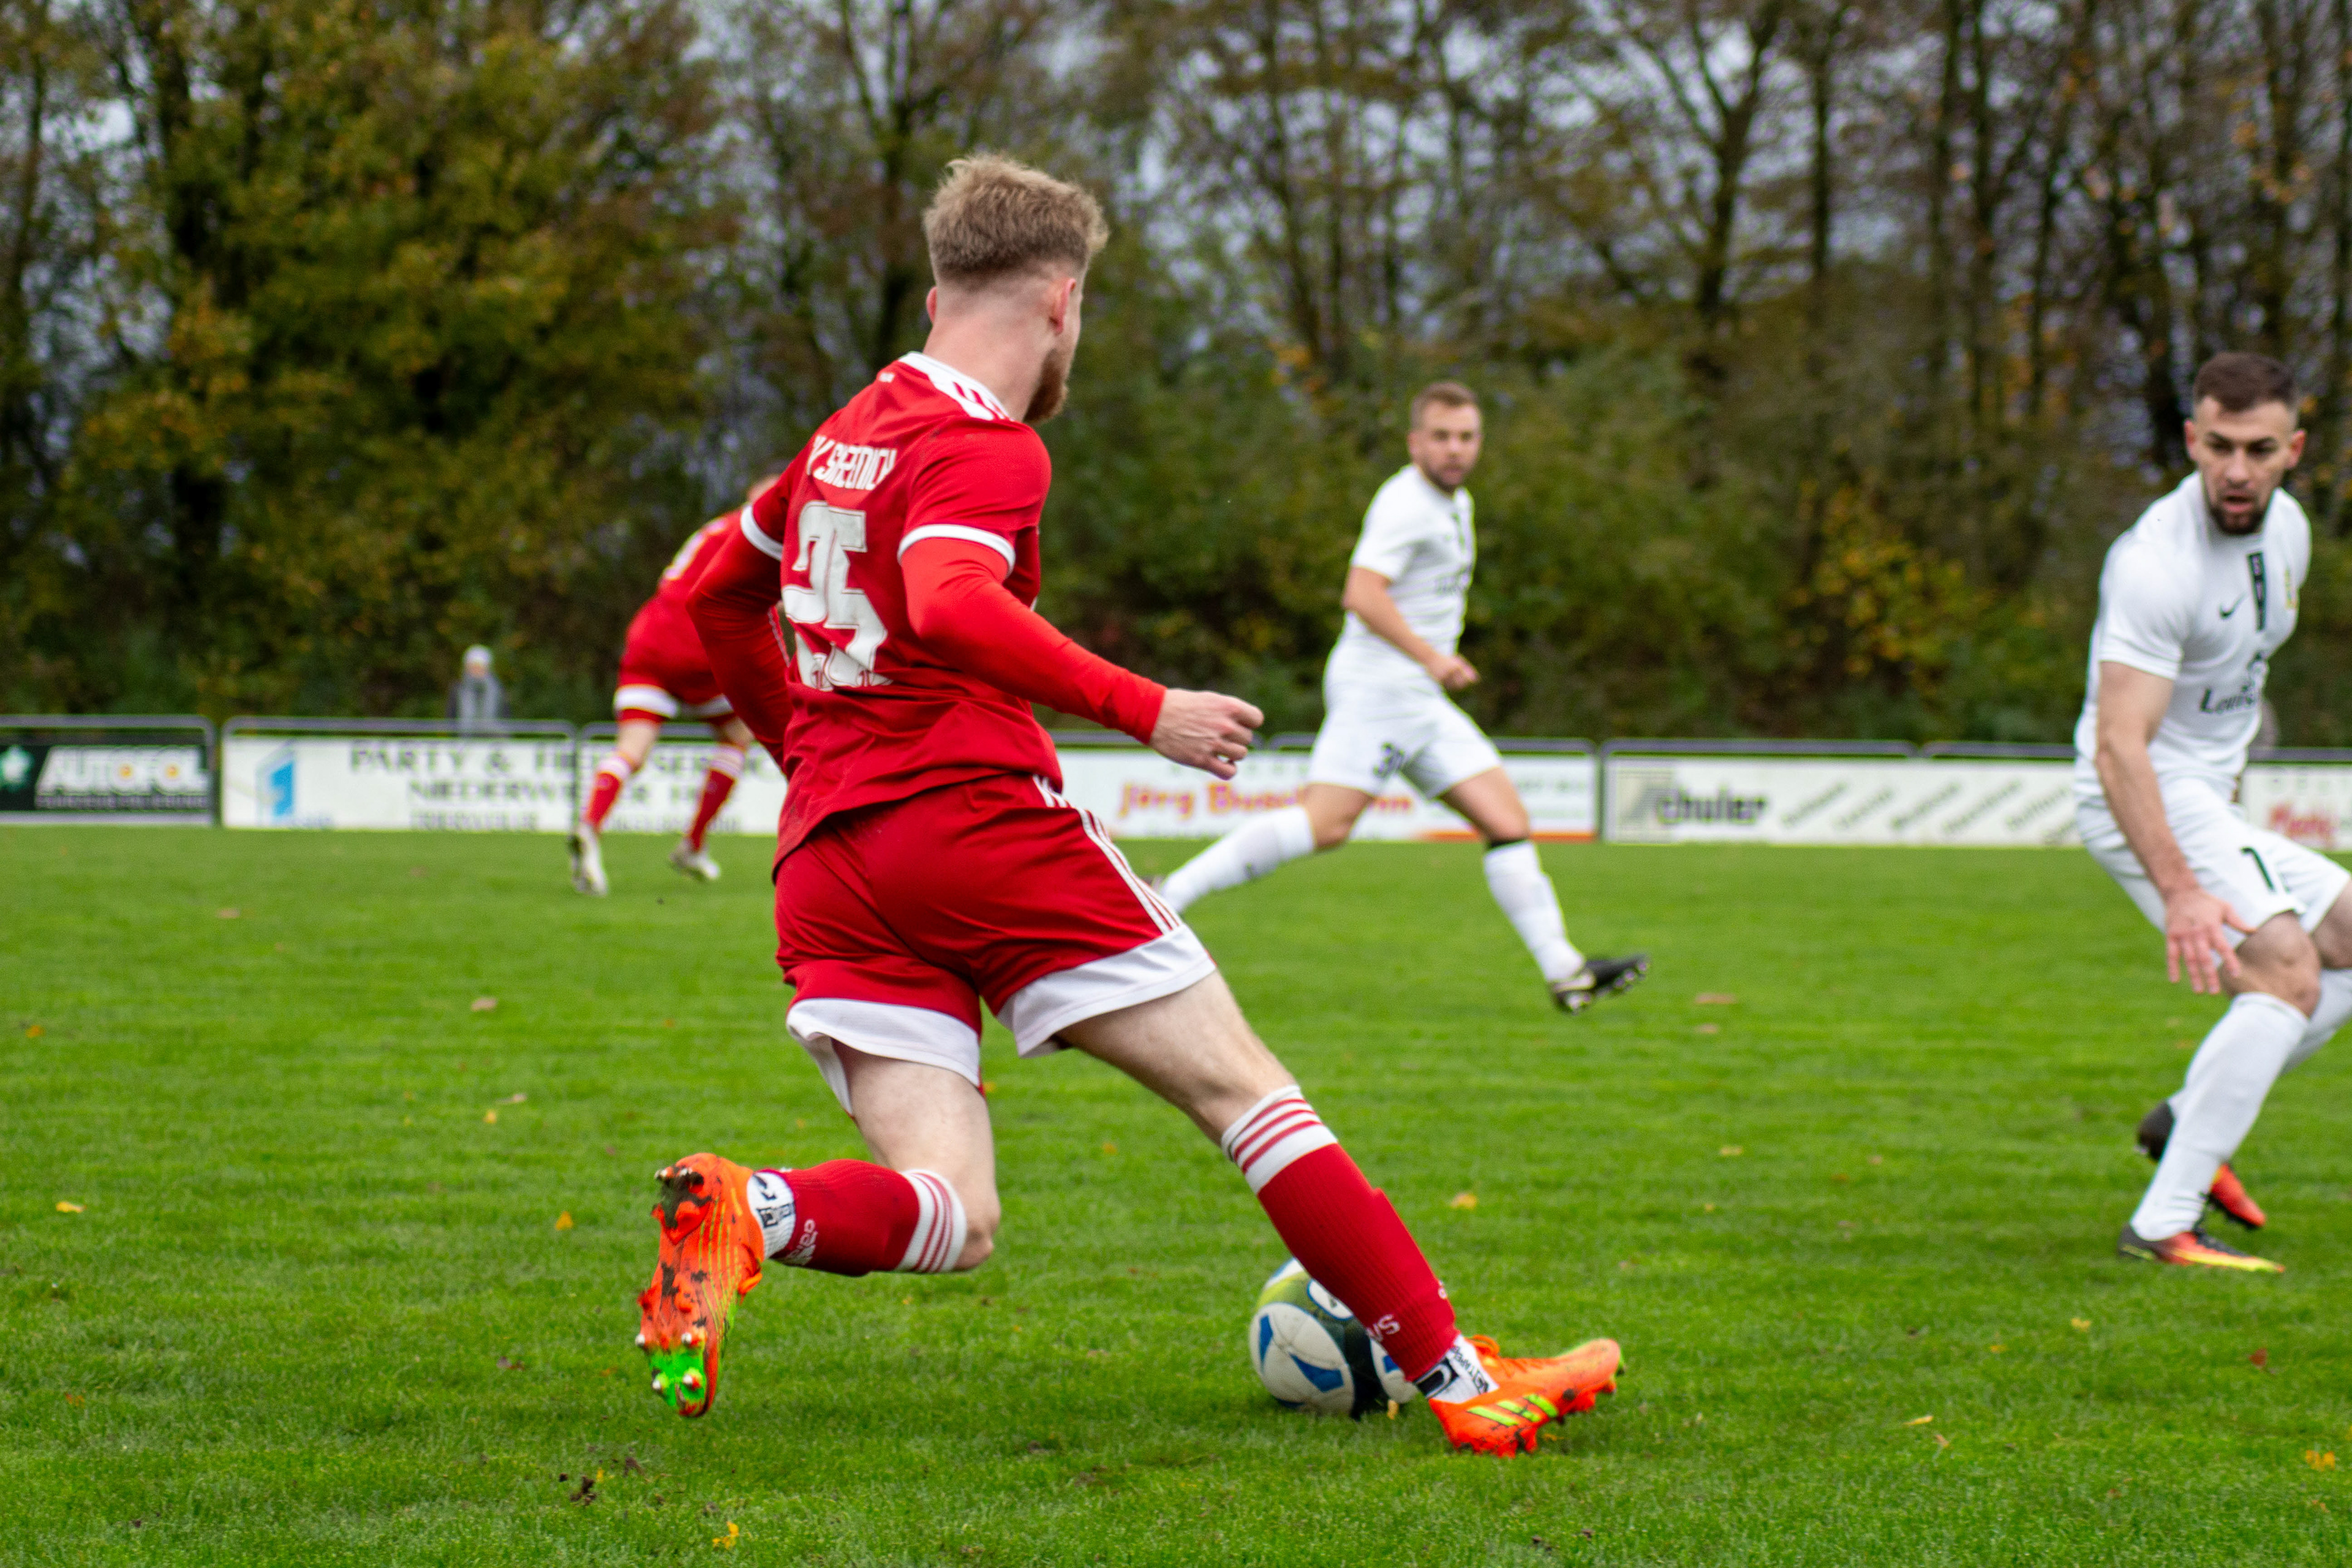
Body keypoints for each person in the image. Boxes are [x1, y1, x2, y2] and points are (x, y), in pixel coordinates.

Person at [641, 154, 1619, 1455]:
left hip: (832, 859)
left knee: (956, 1211)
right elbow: (945, 596)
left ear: (936, 297)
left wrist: (812, 761)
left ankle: (749, 1208)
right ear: (1062, 300)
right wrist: (1142, 703)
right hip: (978, 828)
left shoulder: (842, 437)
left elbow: (718, 598)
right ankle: (1457, 1375)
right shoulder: (987, 445)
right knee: (1250, 1098)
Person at [1154, 383, 1646, 1012]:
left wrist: (1431, 667)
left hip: (1418, 698)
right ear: (1416, 442)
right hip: (1380, 690)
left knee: (1507, 822)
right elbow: (1362, 594)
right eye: (1441, 436)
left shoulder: (1456, 501)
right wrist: (1434, 657)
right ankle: (1170, 894)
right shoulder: (1406, 504)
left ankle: (1566, 971)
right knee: (1326, 824)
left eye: (1467, 437)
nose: (1455, 449)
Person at [2077, 352, 2352, 1273]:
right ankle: (2164, 1224)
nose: (2237, 471)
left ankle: (2187, 1120)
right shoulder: (2157, 563)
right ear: (2192, 439)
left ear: (2293, 450)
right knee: (2283, 974)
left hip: (2200, 797)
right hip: (2141, 793)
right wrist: (2183, 888)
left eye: (2260, 449)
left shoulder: (2294, 533)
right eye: (2220, 447)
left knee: (2346, 939)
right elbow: (2121, 745)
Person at [568, 502, 766, 895]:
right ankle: (692, 843)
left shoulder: (717, 528)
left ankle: (589, 825)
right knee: (739, 734)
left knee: (631, 751)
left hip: (650, 638)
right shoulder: (761, 530)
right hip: (696, 644)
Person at [445, 645, 508, 731]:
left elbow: (506, 717)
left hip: (493, 740)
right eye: (474, 667)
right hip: (464, 740)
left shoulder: (498, 690)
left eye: (481, 667)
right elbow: (451, 718)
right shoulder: (458, 689)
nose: (477, 671)